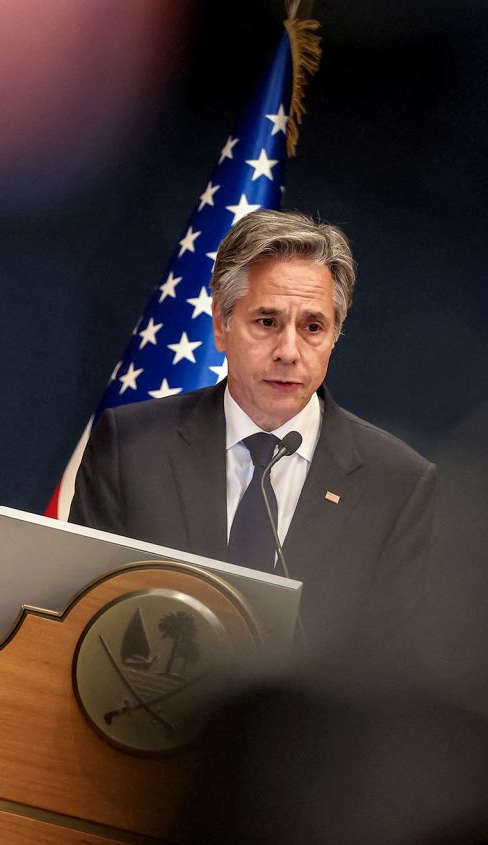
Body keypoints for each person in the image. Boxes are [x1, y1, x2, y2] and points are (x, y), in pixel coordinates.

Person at [70, 209, 435, 658]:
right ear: (221, 324)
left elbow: (391, 668)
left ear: (336, 334)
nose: (288, 352)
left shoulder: (395, 483)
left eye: (313, 327)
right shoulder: (132, 445)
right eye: (267, 322)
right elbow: (80, 623)